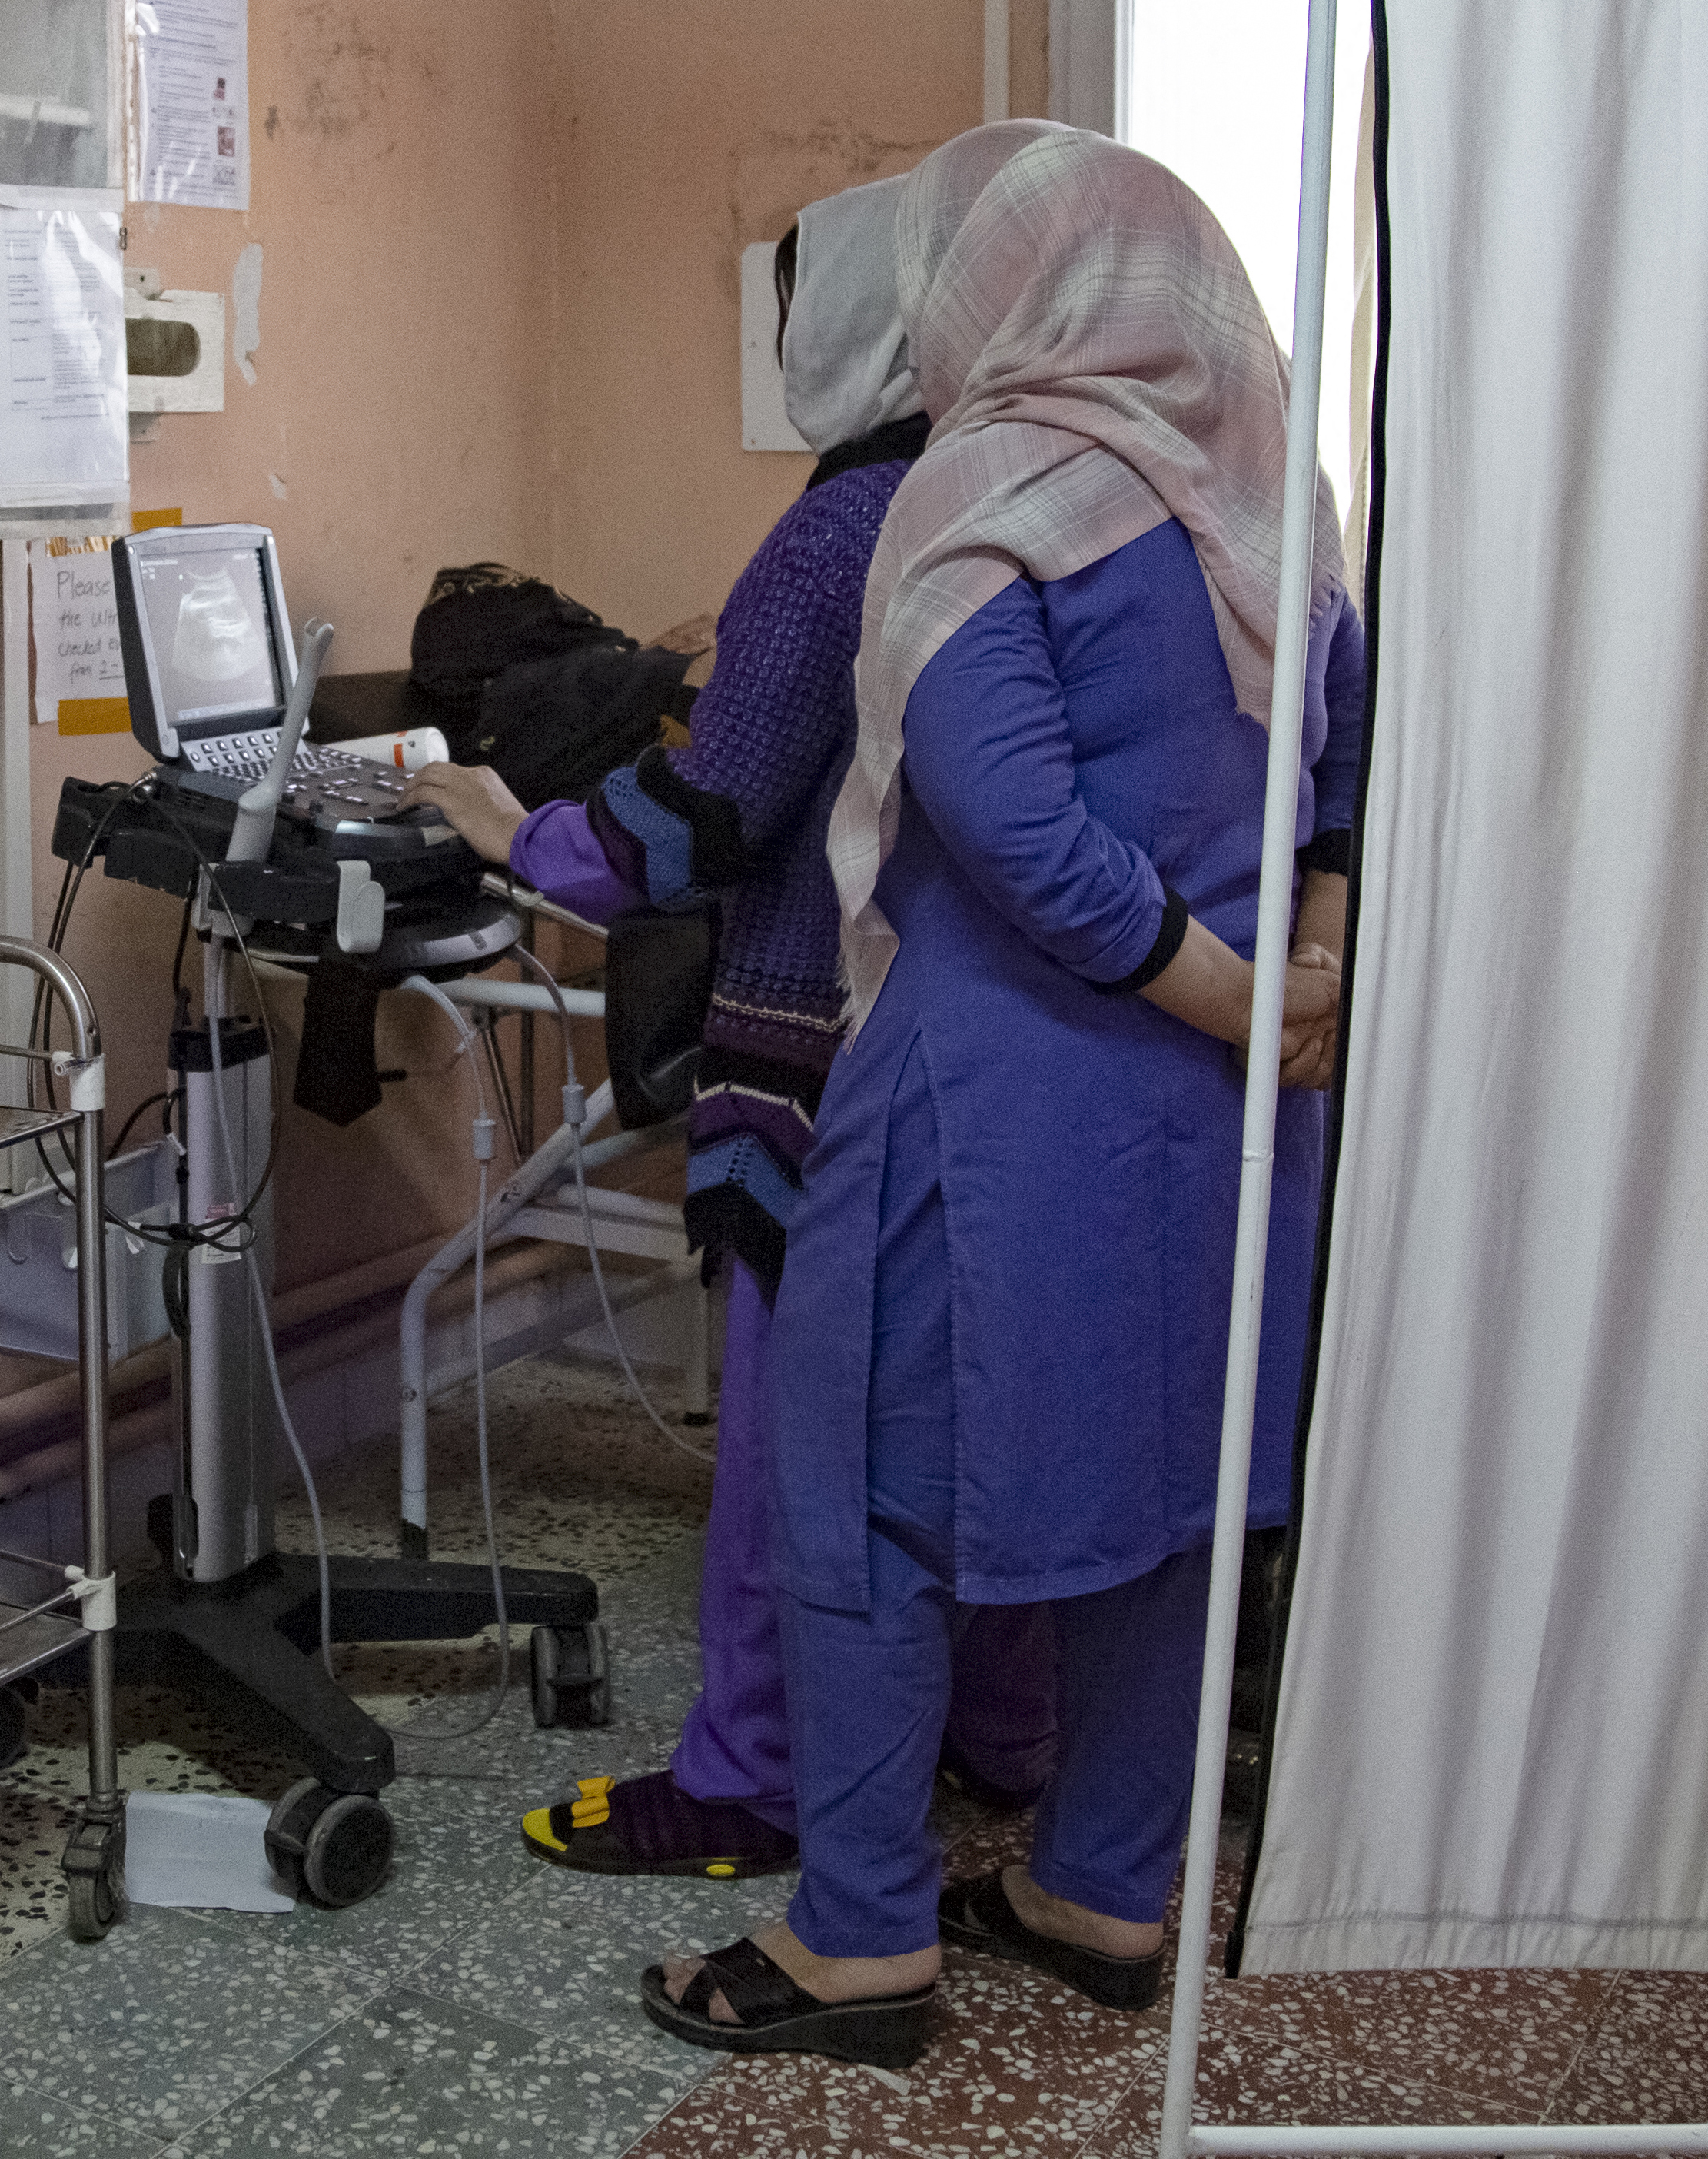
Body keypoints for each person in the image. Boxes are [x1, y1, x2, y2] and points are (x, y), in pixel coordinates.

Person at [636, 121, 1364, 2069]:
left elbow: (1010, 821)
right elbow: (1346, 781)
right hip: (1231, 1127)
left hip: (995, 1098)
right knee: (1168, 1494)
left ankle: (861, 1936)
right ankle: (1103, 1885)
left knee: (863, 1493)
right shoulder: (1273, 496)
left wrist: (1221, 999)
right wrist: (1297, 987)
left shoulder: (987, 481)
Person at [416, 165, 1055, 1888]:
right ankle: (999, 1740)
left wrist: (512, 829)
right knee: (964, 1433)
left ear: (836, 334)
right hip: (1002, 1061)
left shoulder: (844, 530)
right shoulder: (1039, 493)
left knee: (798, 1454)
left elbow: (700, 823)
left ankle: (751, 1779)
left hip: (824, 1071)